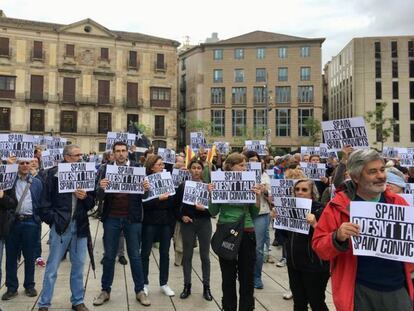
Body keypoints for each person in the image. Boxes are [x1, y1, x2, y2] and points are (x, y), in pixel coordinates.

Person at [312, 149, 414, 311]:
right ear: (356, 177)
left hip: (397, 290)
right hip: (358, 292)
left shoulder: (398, 202)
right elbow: (320, 248)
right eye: (372, 172)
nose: (381, 176)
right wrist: (337, 237)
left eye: (382, 170)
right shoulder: (338, 207)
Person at [37, 145, 95, 311]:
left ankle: (77, 301)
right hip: (61, 226)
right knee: (52, 267)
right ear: (67, 157)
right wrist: (54, 220)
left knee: (78, 266)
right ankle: (44, 303)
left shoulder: (85, 173)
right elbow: (44, 204)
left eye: (81, 155)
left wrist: (85, 197)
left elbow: (91, 203)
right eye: (77, 155)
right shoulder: (52, 175)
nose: (80, 158)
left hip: (81, 225)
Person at [93, 141, 150, 307]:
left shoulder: (138, 169)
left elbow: (145, 197)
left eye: (123, 151)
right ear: (113, 153)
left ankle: (140, 290)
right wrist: (101, 187)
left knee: (135, 256)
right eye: (117, 151)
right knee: (109, 256)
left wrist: (146, 189)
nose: (120, 154)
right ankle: (105, 290)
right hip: (111, 218)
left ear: (128, 152)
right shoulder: (105, 169)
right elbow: (97, 195)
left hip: (132, 219)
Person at [209, 152, 261, 311]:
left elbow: (254, 213)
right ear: (230, 167)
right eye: (241, 165)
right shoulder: (219, 181)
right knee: (228, 276)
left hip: (246, 231)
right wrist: (212, 195)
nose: (244, 168)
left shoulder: (250, 182)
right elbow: (213, 212)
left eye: (245, 165)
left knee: (247, 276)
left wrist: (257, 197)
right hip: (226, 231)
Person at [2, 158, 43, 301]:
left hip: (31, 222)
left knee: (30, 256)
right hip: (13, 222)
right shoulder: (9, 182)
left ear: (31, 164)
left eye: (27, 163)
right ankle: (11, 288)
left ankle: (29, 285)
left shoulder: (37, 182)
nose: (25, 166)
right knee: (11, 257)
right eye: (21, 163)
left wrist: (38, 219)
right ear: (17, 165)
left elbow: (40, 201)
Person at [286, 179, 330, 311]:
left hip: (314, 266)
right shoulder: (290, 209)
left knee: (316, 302)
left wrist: (315, 225)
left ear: (312, 193)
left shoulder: (321, 210)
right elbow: (283, 237)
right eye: (297, 189)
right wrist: (277, 219)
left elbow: (328, 238)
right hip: (294, 264)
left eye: (304, 190)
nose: (300, 192)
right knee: (299, 302)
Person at [176, 157, 213, 301]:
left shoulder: (208, 186)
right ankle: (187, 286)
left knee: (205, 256)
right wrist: (182, 217)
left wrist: (205, 207)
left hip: (204, 223)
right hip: (188, 224)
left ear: (202, 170)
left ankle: (207, 287)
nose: (196, 171)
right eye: (194, 168)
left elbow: (214, 210)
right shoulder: (183, 186)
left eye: (199, 168)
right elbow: (175, 207)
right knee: (187, 256)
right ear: (189, 170)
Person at [141, 155, 176, 297]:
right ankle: (144, 283)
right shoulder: (145, 182)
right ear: (152, 167)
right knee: (145, 253)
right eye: (160, 165)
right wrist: (158, 199)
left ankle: (164, 283)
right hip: (149, 222)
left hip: (165, 222)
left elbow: (172, 201)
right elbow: (143, 203)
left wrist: (165, 201)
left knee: (165, 253)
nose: (163, 167)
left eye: (163, 165)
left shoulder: (168, 180)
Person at [243, 150, 271, 290]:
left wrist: (264, 191)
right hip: (244, 214)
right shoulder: (239, 175)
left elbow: (272, 198)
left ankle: (256, 276)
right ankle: (243, 273)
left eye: (256, 160)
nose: (254, 163)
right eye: (250, 160)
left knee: (258, 248)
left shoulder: (265, 176)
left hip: (261, 214)